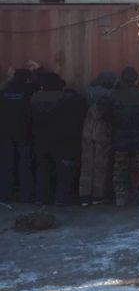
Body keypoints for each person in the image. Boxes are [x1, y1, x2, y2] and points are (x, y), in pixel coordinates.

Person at [31, 72, 86, 206]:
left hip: (40, 138)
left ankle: (40, 198)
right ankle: (60, 199)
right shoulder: (64, 98)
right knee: (64, 170)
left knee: (42, 169)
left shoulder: (35, 97)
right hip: (61, 139)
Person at [102, 67, 139, 206]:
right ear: (136, 79)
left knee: (120, 169)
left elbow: (105, 114)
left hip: (120, 138)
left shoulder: (114, 95)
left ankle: (120, 197)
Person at [79, 71, 117, 206]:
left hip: (87, 131)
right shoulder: (111, 94)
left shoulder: (87, 92)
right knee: (100, 164)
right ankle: (97, 195)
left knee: (86, 164)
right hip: (103, 132)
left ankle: (84, 195)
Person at [0, 69, 35, 202]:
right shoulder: (28, 90)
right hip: (23, 132)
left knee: (6, 164)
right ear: (27, 79)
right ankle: (26, 194)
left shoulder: (4, 91)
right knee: (25, 163)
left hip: (4, 132)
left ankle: (5, 194)